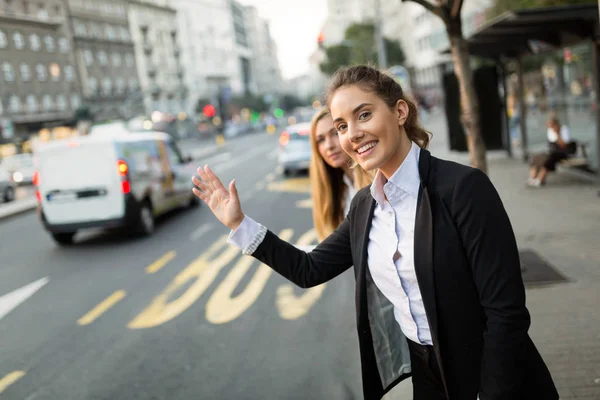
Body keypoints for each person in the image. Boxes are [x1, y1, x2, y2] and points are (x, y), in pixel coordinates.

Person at [192, 65, 557, 400]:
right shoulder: (365, 205)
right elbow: (309, 269)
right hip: (427, 374)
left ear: (400, 112)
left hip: (493, 374)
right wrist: (240, 224)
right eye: (341, 126)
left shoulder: (463, 188)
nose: (352, 134)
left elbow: (506, 313)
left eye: (363, 114)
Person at [309, 107, 372, 242]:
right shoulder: (337, 191)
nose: (328, 146)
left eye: (334, 133)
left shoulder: (376, 180)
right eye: (321, 140)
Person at [528, 117, 575, 187]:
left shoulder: (563, 130)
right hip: (553, 152)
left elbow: (564, 145)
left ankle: (540, 179)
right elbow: (551, 145)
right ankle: (532, 178)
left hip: (563, 152)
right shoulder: (550, 131)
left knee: (550, 159)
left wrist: (557, 133)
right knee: (537, 157)